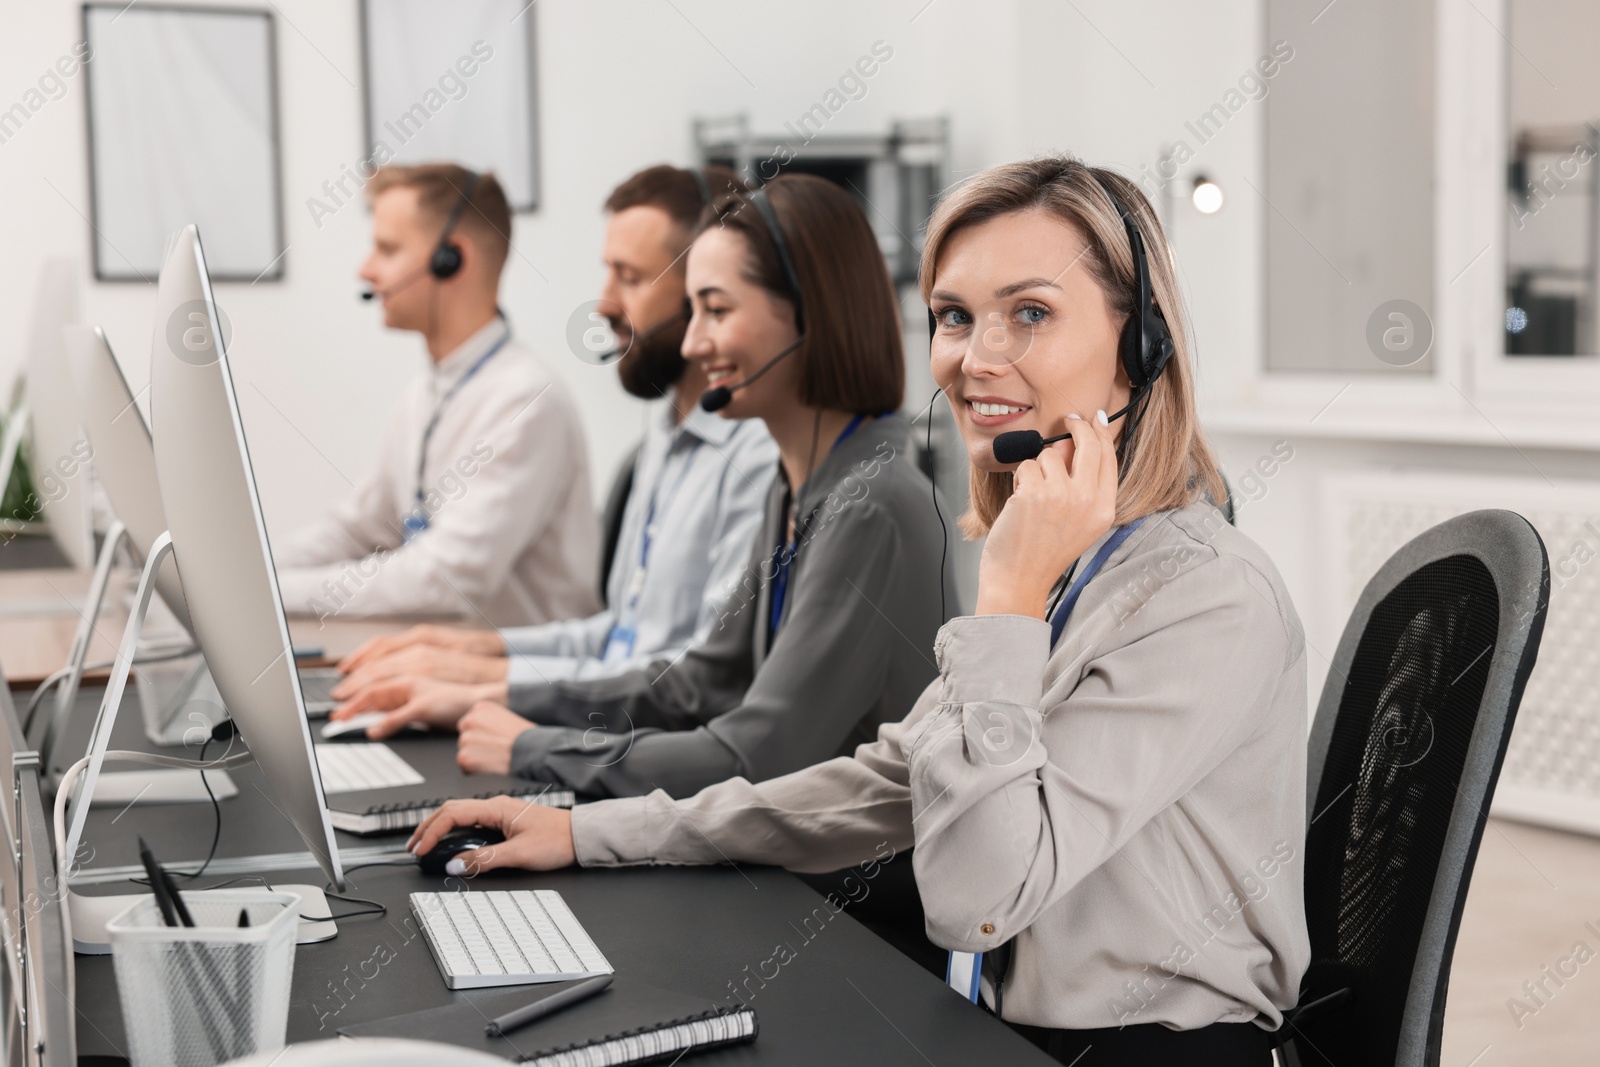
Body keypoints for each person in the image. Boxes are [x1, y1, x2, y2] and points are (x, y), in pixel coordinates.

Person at [409, 157, 1311, 1065]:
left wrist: (1006, 601)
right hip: (1007, 1025)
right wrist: (591, 832)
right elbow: (892, 779)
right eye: (954, 316)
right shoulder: (1078, 570)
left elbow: (978, 895)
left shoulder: (1205, 595)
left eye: (1029, 313)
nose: (974, 356)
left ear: (1140, 345)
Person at [356, 173, 954, 802]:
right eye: (694, 310)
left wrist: (534, 746)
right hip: (777, 847)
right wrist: (494, 700)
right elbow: (695, 685)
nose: (695, 342)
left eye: (717, 311)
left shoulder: (868, 505)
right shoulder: (796, 484)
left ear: (813, 318)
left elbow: (761, 753)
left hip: (842, 891)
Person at [323, 165, 777, 712]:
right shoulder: (661, 441)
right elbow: (620, 637)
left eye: (630, 278)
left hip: (642, 755)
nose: (604, 301)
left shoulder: (755, 460)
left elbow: (697, 684)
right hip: (604, 723)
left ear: (698, 294)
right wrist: (479, 654)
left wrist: (486, 687)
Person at [275, 164, 599, 628]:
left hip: (523, 691)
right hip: (443, 670)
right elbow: (357, 527)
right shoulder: (425, 394)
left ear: (451, 258)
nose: (365, 270)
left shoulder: (524, 402)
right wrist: (249, 573)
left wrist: (273, 594)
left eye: (386, 249)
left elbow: (446, 579)